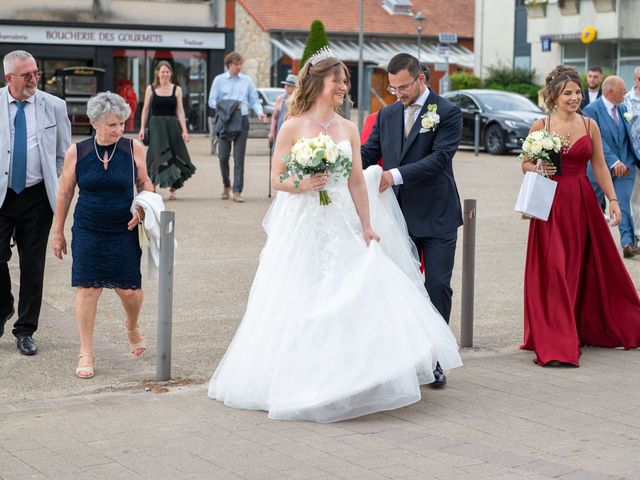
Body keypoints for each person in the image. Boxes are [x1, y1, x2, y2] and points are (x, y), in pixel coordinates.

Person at [208, 48, 462, 423]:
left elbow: (358, 179)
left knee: (355, 292)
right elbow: (276, 179)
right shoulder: (293, 126)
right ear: (319, 84)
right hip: (305, 222)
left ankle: (354, 377)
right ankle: (301, 379)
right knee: (302, 294)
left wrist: (366, 225)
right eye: (338, 81)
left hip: (341, 220)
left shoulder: (347, 128)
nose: (344, 87)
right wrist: (303, 182)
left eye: (345, 81)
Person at [520, 65, 640, 367]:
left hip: (583, 202)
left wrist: (613, 199)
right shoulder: (541, 125)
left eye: (577, 92)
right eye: (568, 93)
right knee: (555, 269)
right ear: (554, 96)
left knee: (581, 266)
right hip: (550, 205)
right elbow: (525, 163)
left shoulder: (589, 125)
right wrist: (536, 167)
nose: (575, 97)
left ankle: (578, 327)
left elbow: (599, 165)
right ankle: (558, 342)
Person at [360, 53, 463, 387]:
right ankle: (404, 356)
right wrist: (337, 167)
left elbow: (440, 158)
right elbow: (366, 153)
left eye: (403, 86)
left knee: (436, 287)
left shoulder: (448, 112)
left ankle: (435, 358)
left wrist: (394, 175)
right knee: (402, 287)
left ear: (421, 78)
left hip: (437, 214)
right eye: (392, 88)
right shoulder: (386, 115)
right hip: (397, 216)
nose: (398, 93)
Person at [52, 92, 154, 379]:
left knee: (130, 291)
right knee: (88, 289)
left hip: (125, 228)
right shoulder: (79, 151)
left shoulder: (133, 148)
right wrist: (58, 232)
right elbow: (65, 193)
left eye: (121, 123)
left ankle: (132, 325)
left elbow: (145, 182)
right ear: (95, 122)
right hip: (88, 228)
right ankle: (86, 351)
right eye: (112, 124)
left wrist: (144, 206)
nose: (119, 129)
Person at [0, 50, 71, 356]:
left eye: (36, 73)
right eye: (26, 75)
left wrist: (54, 184)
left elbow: (64, 156)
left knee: (32, 266)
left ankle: (25, 329)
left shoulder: (54, 106)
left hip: (36, 197)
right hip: (1, 196)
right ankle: (3, 306)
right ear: (8, 78)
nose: (33, 79)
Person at [584, 75, 640, 257]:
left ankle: (628, 244)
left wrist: (628, 160)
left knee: (623, 203)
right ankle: (586, 240)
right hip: (600, 167)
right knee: (591, 203)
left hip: (626, 166)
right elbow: (596, 139)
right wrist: (613, 161)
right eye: (622, 90)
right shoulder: (591, 110)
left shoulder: (623, 108)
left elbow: (626, 138)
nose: (626, 93)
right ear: (610, 92)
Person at [208, 52, 267, 203]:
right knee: (222, 157)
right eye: (236, 64)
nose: (239, 67)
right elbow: (212, 101)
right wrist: (229, 106)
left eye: (240, 64)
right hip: (225, 121)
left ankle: (237, 191)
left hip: (242, 121)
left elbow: (254, 100)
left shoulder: (247, 81)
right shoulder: (219, 80)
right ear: (229, 65)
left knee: (239, 159)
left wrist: (260, 113)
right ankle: (226, 185)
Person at [139, 61, 196, 201]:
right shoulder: (150, 89)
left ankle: (173, 188)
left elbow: (180, 111)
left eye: (167, 71)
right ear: (157, 73)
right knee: (155, 153)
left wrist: (185, 130)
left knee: (176, 153)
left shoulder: (177, 89)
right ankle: (152, 186)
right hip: (156, 125)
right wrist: (142, 128)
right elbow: (145, 109)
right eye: (162, 71)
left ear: (170, 73)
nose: (165, 74)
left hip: (172, 125)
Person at [624, 66, 640, 246]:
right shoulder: (626, 101)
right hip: (633, 157)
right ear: (635, 80)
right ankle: (636, 235)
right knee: (634, 199)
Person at [267, 74, 296, 145]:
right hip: (280, 131)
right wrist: (272, 132)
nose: (286, 87)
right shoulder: (280, 99)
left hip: (292, 131)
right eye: (286, 85)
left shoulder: (298, 100)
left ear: (295, 87)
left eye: (289, 85)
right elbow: (275, 117)